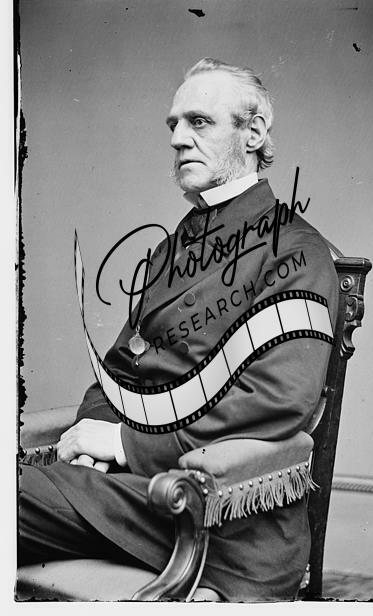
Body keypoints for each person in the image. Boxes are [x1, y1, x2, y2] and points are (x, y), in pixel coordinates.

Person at [18, 58, 339, 601]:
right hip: (130, 491)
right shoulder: (173, 248)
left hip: (217, 516)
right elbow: (118, 371)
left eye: (199, 121)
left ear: (254, 133)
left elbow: (279, 399)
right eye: (173, 124)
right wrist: (95, 436)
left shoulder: (296, 251)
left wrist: (124, 444)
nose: (177, 138)